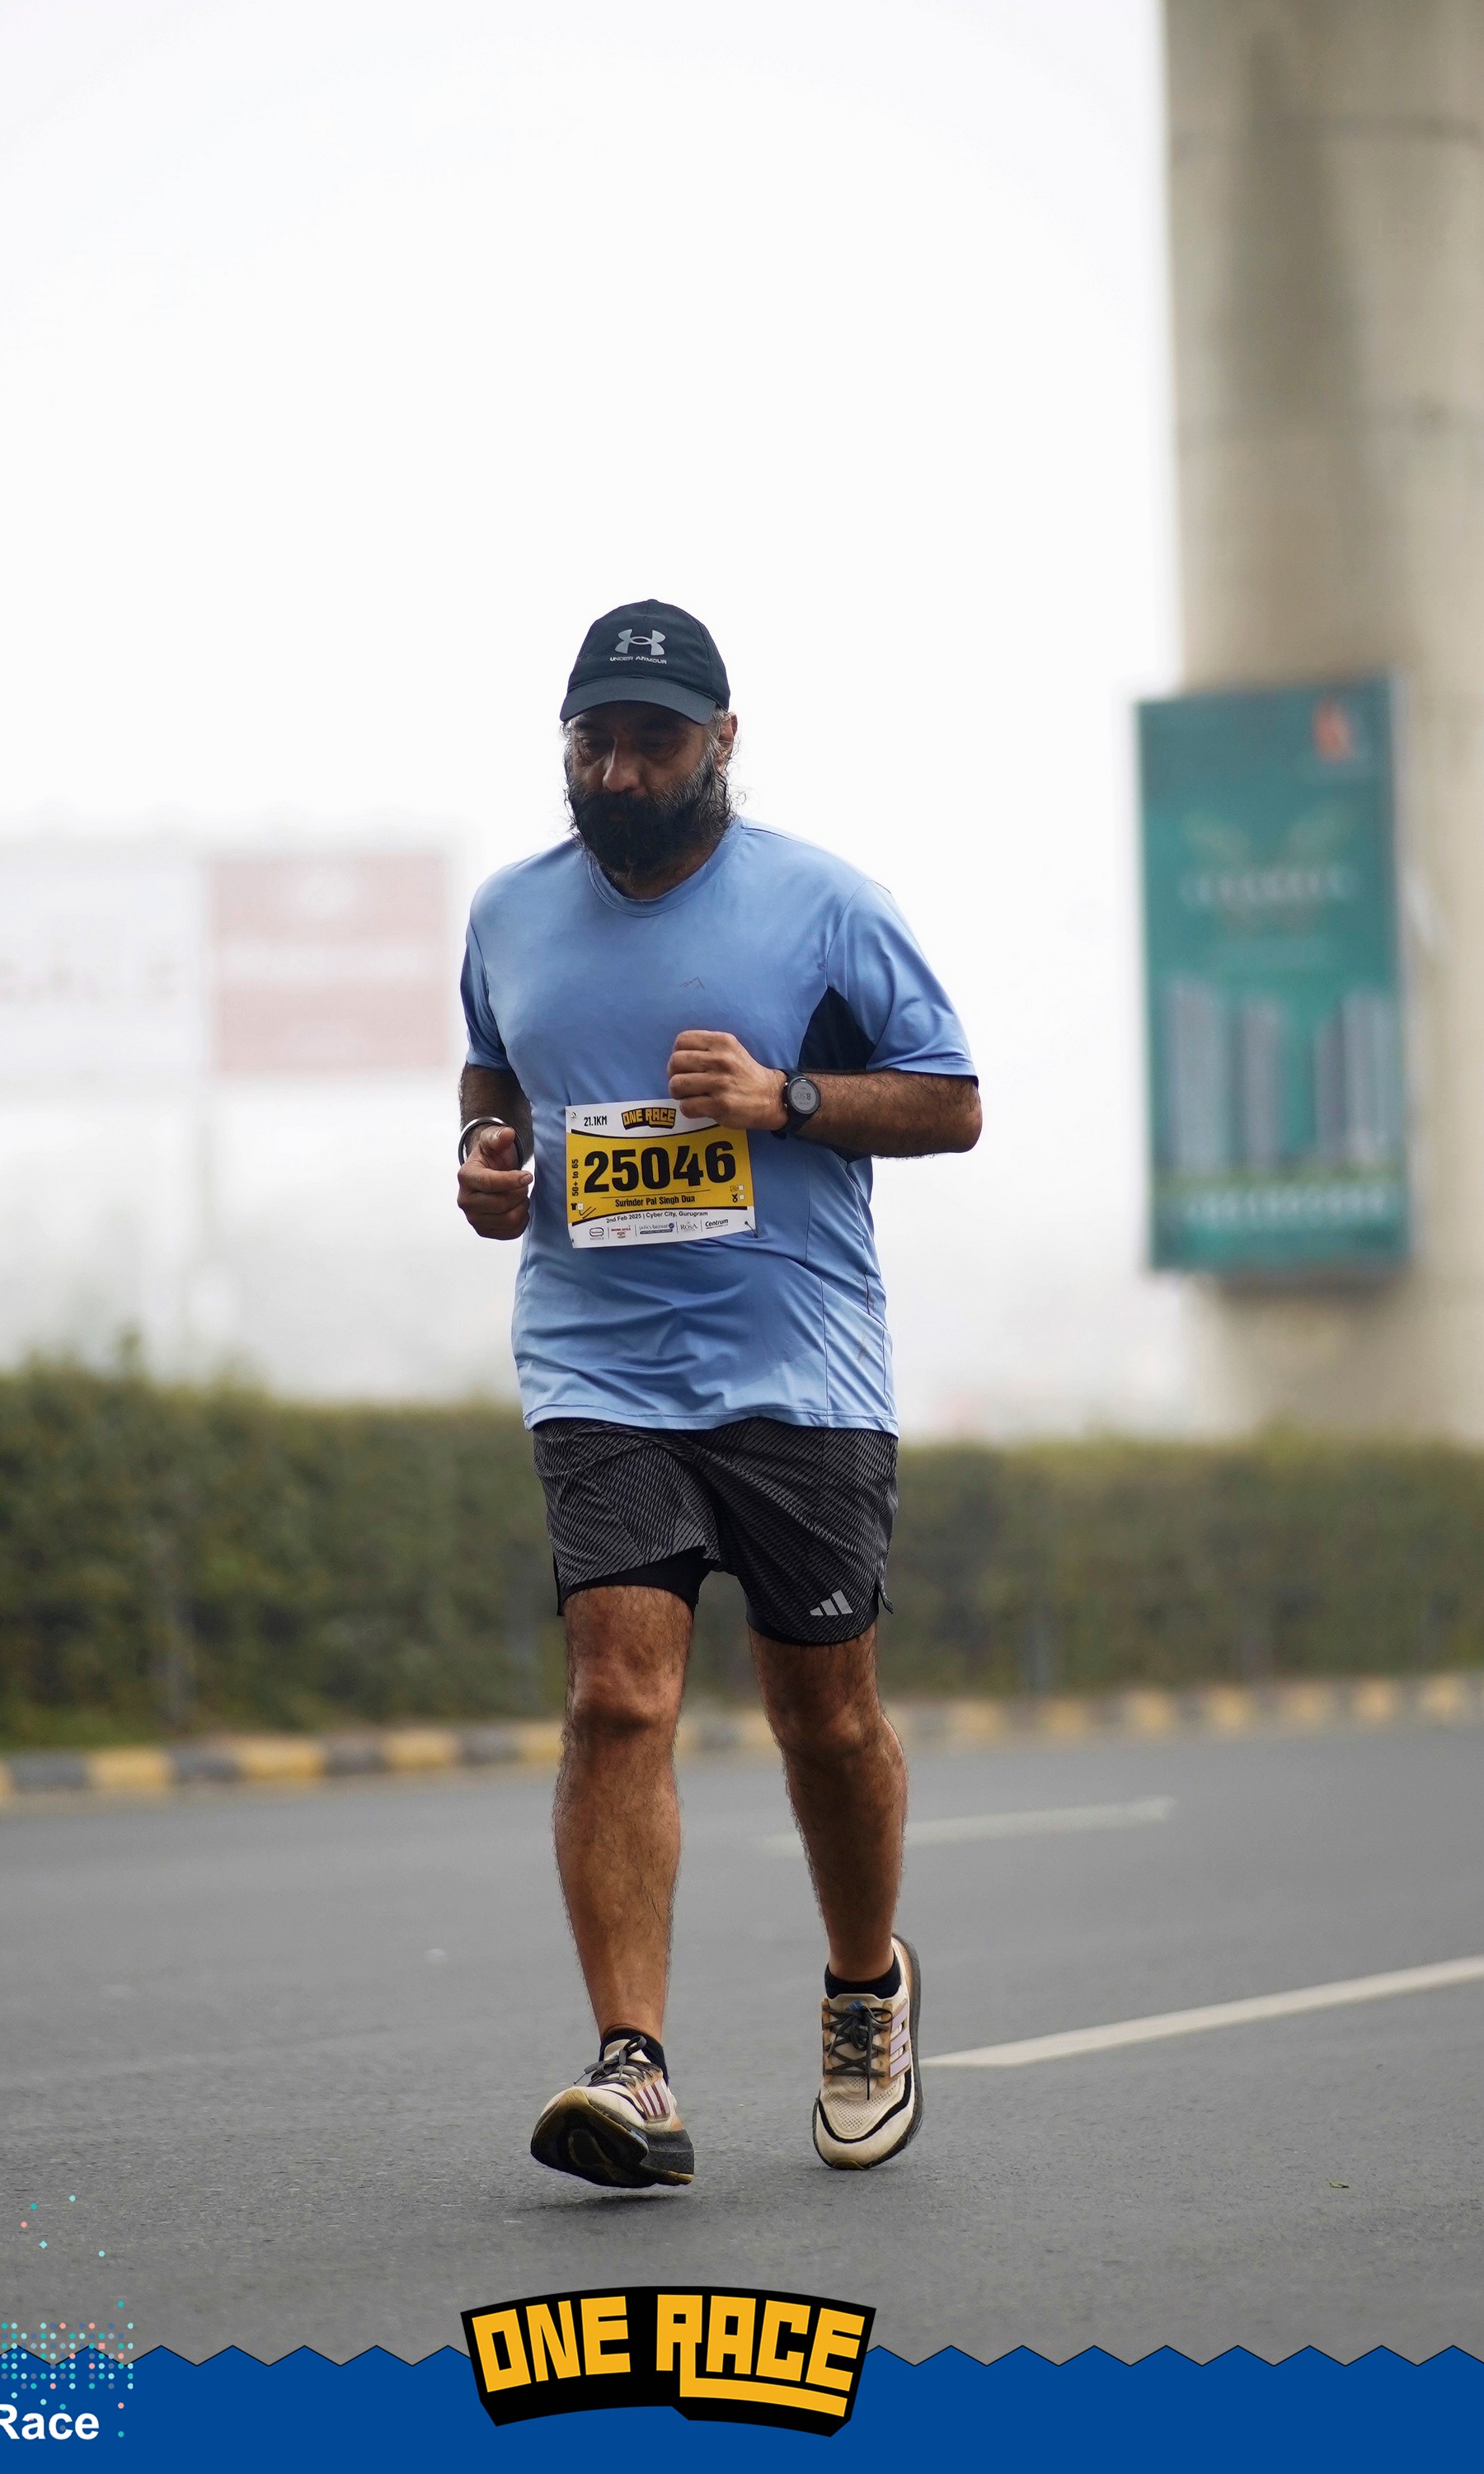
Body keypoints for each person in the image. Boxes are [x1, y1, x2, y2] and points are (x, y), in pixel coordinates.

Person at [456, 599, 980, 2189]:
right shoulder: (508, 912)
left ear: (722, 742)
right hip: (598, 1361)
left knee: (824, 1715)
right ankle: (634, 2066)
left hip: (799, 1368)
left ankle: (865, 1985)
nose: (619, 771)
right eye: (594, 741)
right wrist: (486, 1159)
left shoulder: (825, 906)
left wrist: (784, 1096)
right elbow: (496, 1070)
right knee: (617, 1695)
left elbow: (952, 1101)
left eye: (653, 742)